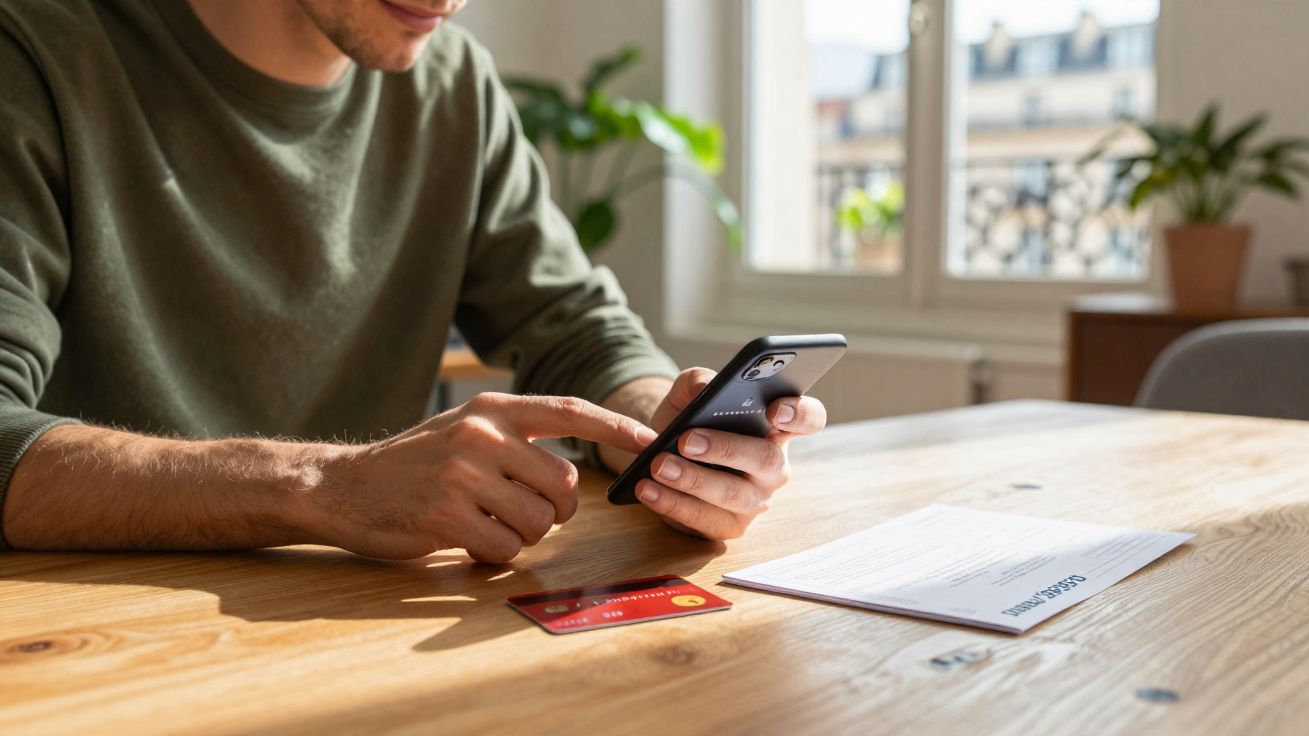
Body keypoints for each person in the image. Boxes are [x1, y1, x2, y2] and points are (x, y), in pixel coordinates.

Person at [0, 0, 827, 563]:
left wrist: (666, 430)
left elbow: (576, 326)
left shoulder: (454, 84)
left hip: (369, 625)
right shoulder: (34, 56)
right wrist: (323, 487)